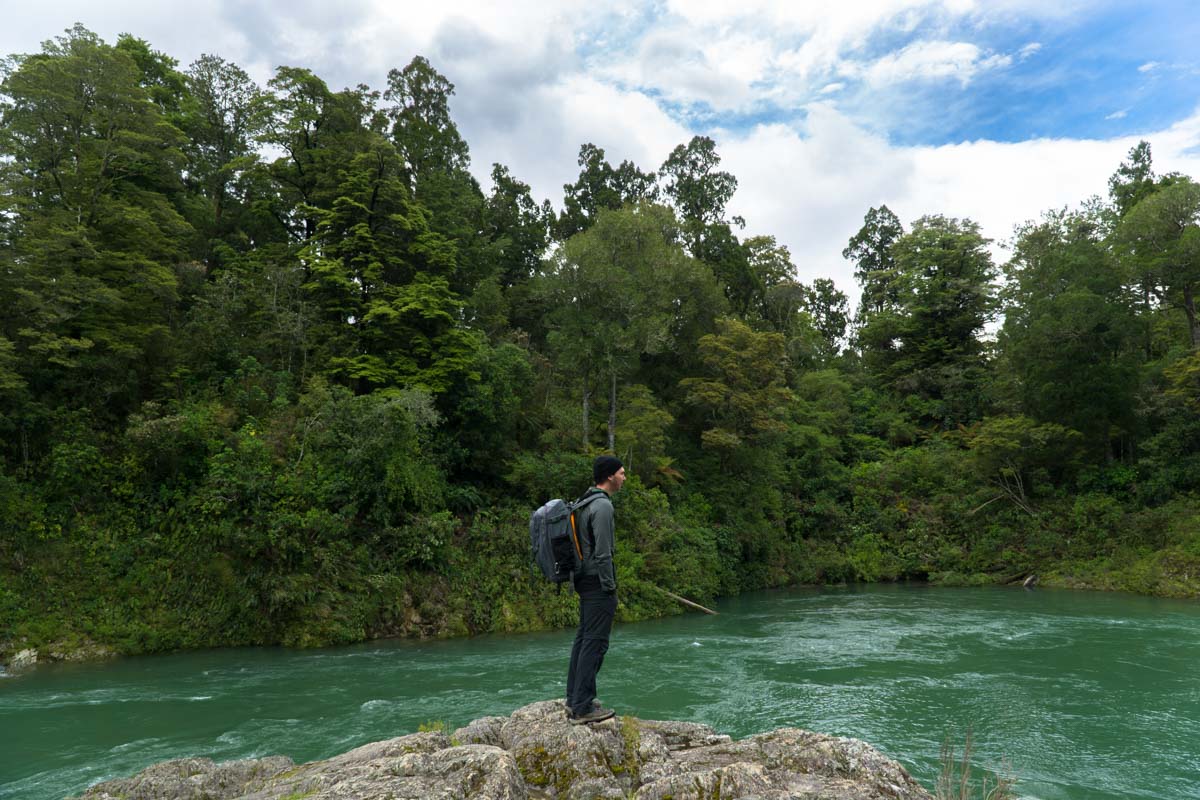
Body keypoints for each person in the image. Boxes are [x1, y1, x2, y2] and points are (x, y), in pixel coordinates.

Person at [564, 455, 626, 724]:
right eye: (622, 473)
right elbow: (603, 553)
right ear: (610, 476)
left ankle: (575, 698)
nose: (624, 477)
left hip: (583, 579)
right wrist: (610, 587)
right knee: (595, 642)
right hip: (597, 581)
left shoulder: (584, 500)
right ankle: (583, 707)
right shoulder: (602, 507)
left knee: (584, 638)